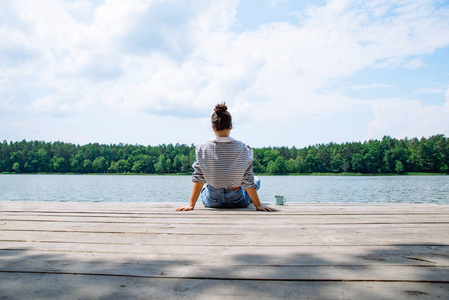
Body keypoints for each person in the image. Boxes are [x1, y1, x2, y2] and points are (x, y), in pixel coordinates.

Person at [176, 103, 276, 212]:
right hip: (237, 200)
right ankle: (250, 198)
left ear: (213, 128)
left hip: (212, 200)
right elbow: (248, 181)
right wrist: (258, 206)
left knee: (205, 186)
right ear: (231, 126)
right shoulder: (244, 148)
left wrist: (191, 205)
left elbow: (198, 179)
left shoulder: (202, 148)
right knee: (256, 180)